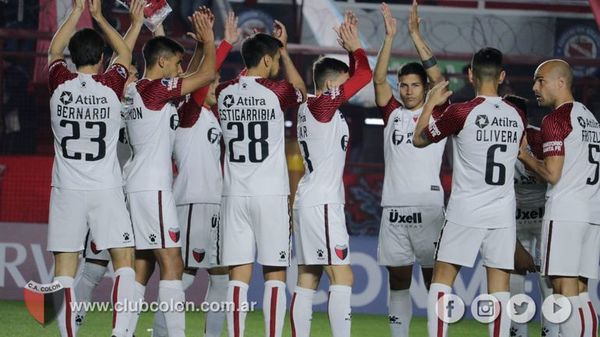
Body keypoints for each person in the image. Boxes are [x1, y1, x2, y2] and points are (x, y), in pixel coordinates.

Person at [413, 47, 527, 337]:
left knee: (442, 281)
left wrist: (428, 104)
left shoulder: (460, 112)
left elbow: (419, 139)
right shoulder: (517, 115)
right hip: (502, 213)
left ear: (470, 75)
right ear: (501, 76)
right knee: (499, 287)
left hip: (465, 211)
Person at [122, 8, 216, 337]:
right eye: (176, 64)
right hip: (152, 187)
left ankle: (123, 331)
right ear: (162, 64)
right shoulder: (154, 90)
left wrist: (201, 50)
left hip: (137, 183)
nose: (179, 70)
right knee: (173, 263)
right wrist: (209, 42)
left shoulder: (140, 91)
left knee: (143, 266)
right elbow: (204, 77)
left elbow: (188, 82)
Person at [46, 0, 136, 336]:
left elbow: (53, 50)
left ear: (72, 57)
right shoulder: (111, 86)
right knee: (124, 263)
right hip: (106, 188)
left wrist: (74, 13)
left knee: (64, 272)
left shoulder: (58, 83)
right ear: (101, 59)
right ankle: (120, 333)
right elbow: (125, 52)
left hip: (67, 189)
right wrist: (98, 16)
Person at [149, 11, 240, 337]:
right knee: (183, 276)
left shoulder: (209, 116)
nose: (214, 83)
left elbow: (203, 72)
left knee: (220, 277)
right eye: (212, 80)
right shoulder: (189, 112)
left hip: (212, 205)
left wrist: (207, 45)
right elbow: (205, 74)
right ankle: (161, 331)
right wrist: (220, 42)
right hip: (192, 203)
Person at [216, 21, 307, 337]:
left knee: (237, 277)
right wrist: (284, 48)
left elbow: (219, 83)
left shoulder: (224, 91)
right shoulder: (277, 91)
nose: (278, 65)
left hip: (234, 196)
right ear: (268, 59)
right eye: (277, 59)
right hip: (270, 195)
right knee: (275, 274)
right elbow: (301, 91)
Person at [289, 11, 372, 337]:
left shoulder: (310, 106)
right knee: (343, 277)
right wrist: (354, 47)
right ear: (328, 86)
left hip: (310, 200)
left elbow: (350, 78)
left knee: (308, 278)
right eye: (340, 83)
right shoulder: (323, 106)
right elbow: (363, 75)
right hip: (322, 203)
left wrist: (284, 53)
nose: (345, 89)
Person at [373, 2, 447, 336]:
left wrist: (415, 35)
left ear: (425, 89)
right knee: (398, 280)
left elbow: (438, 78)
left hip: (429, 208)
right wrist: (389, 37)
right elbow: (378, 82)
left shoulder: (437, 113)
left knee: (435, 280)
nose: (407, 90)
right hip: (394, 208)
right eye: (403, 85)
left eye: (414, 85)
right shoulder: (392, 114)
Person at [518, 59, 600, 337]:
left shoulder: (555, 119)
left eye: (541, 80)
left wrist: (524, 156)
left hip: (566, 213)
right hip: (592, 212)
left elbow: (552, 174)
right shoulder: (589, 117)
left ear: (560, 82)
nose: (535, 87)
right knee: (580, 291)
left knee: (562, 291)